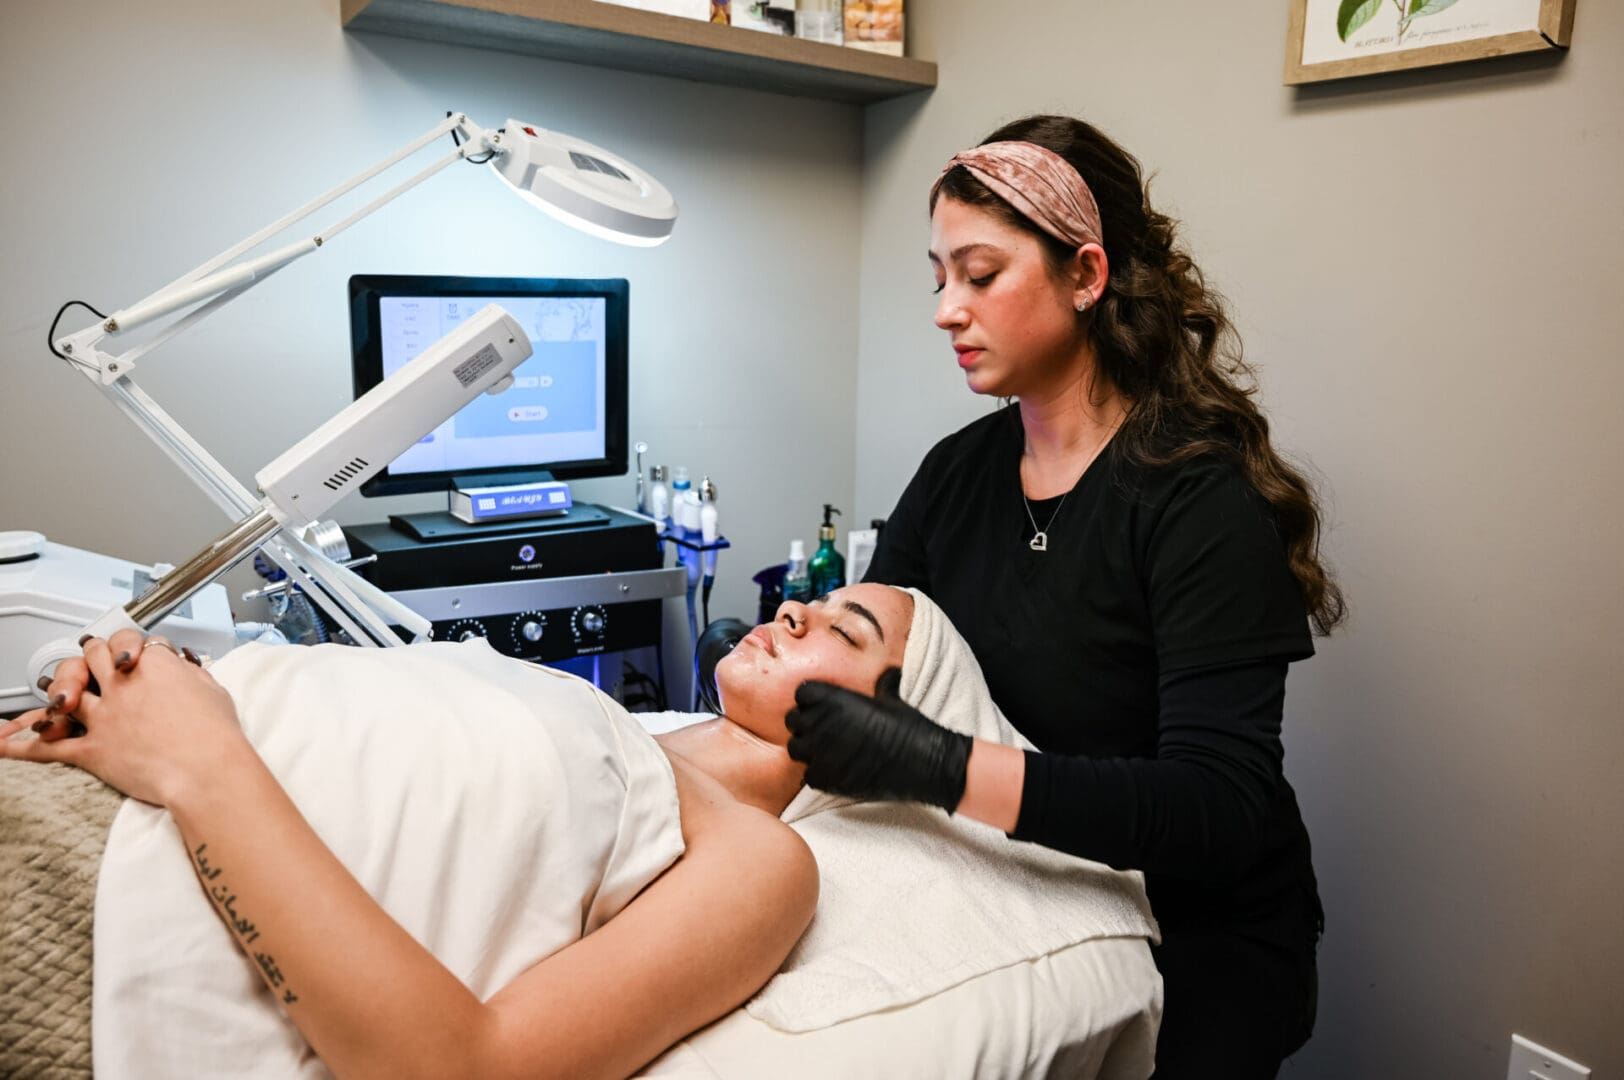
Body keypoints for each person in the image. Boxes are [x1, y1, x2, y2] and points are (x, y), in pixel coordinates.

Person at [784, 115, 1344, 1078]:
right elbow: (869, 647)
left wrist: (939, 765)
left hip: (1199, 931)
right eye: (938, 277)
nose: (945, 310)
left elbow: (1221, 807)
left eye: (981, 274)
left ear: (1086, 276)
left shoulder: (1198, 500)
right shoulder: (958, 474)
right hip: (1027, 885)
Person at [1, 583, 912, 1080]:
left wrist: (199, 756)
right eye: (818, 596)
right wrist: (179, 692)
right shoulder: (617, 722)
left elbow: (458, 1069)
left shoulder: (761, 859)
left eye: (848, 627)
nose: (796, 607)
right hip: (88, 771)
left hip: (87, 898)